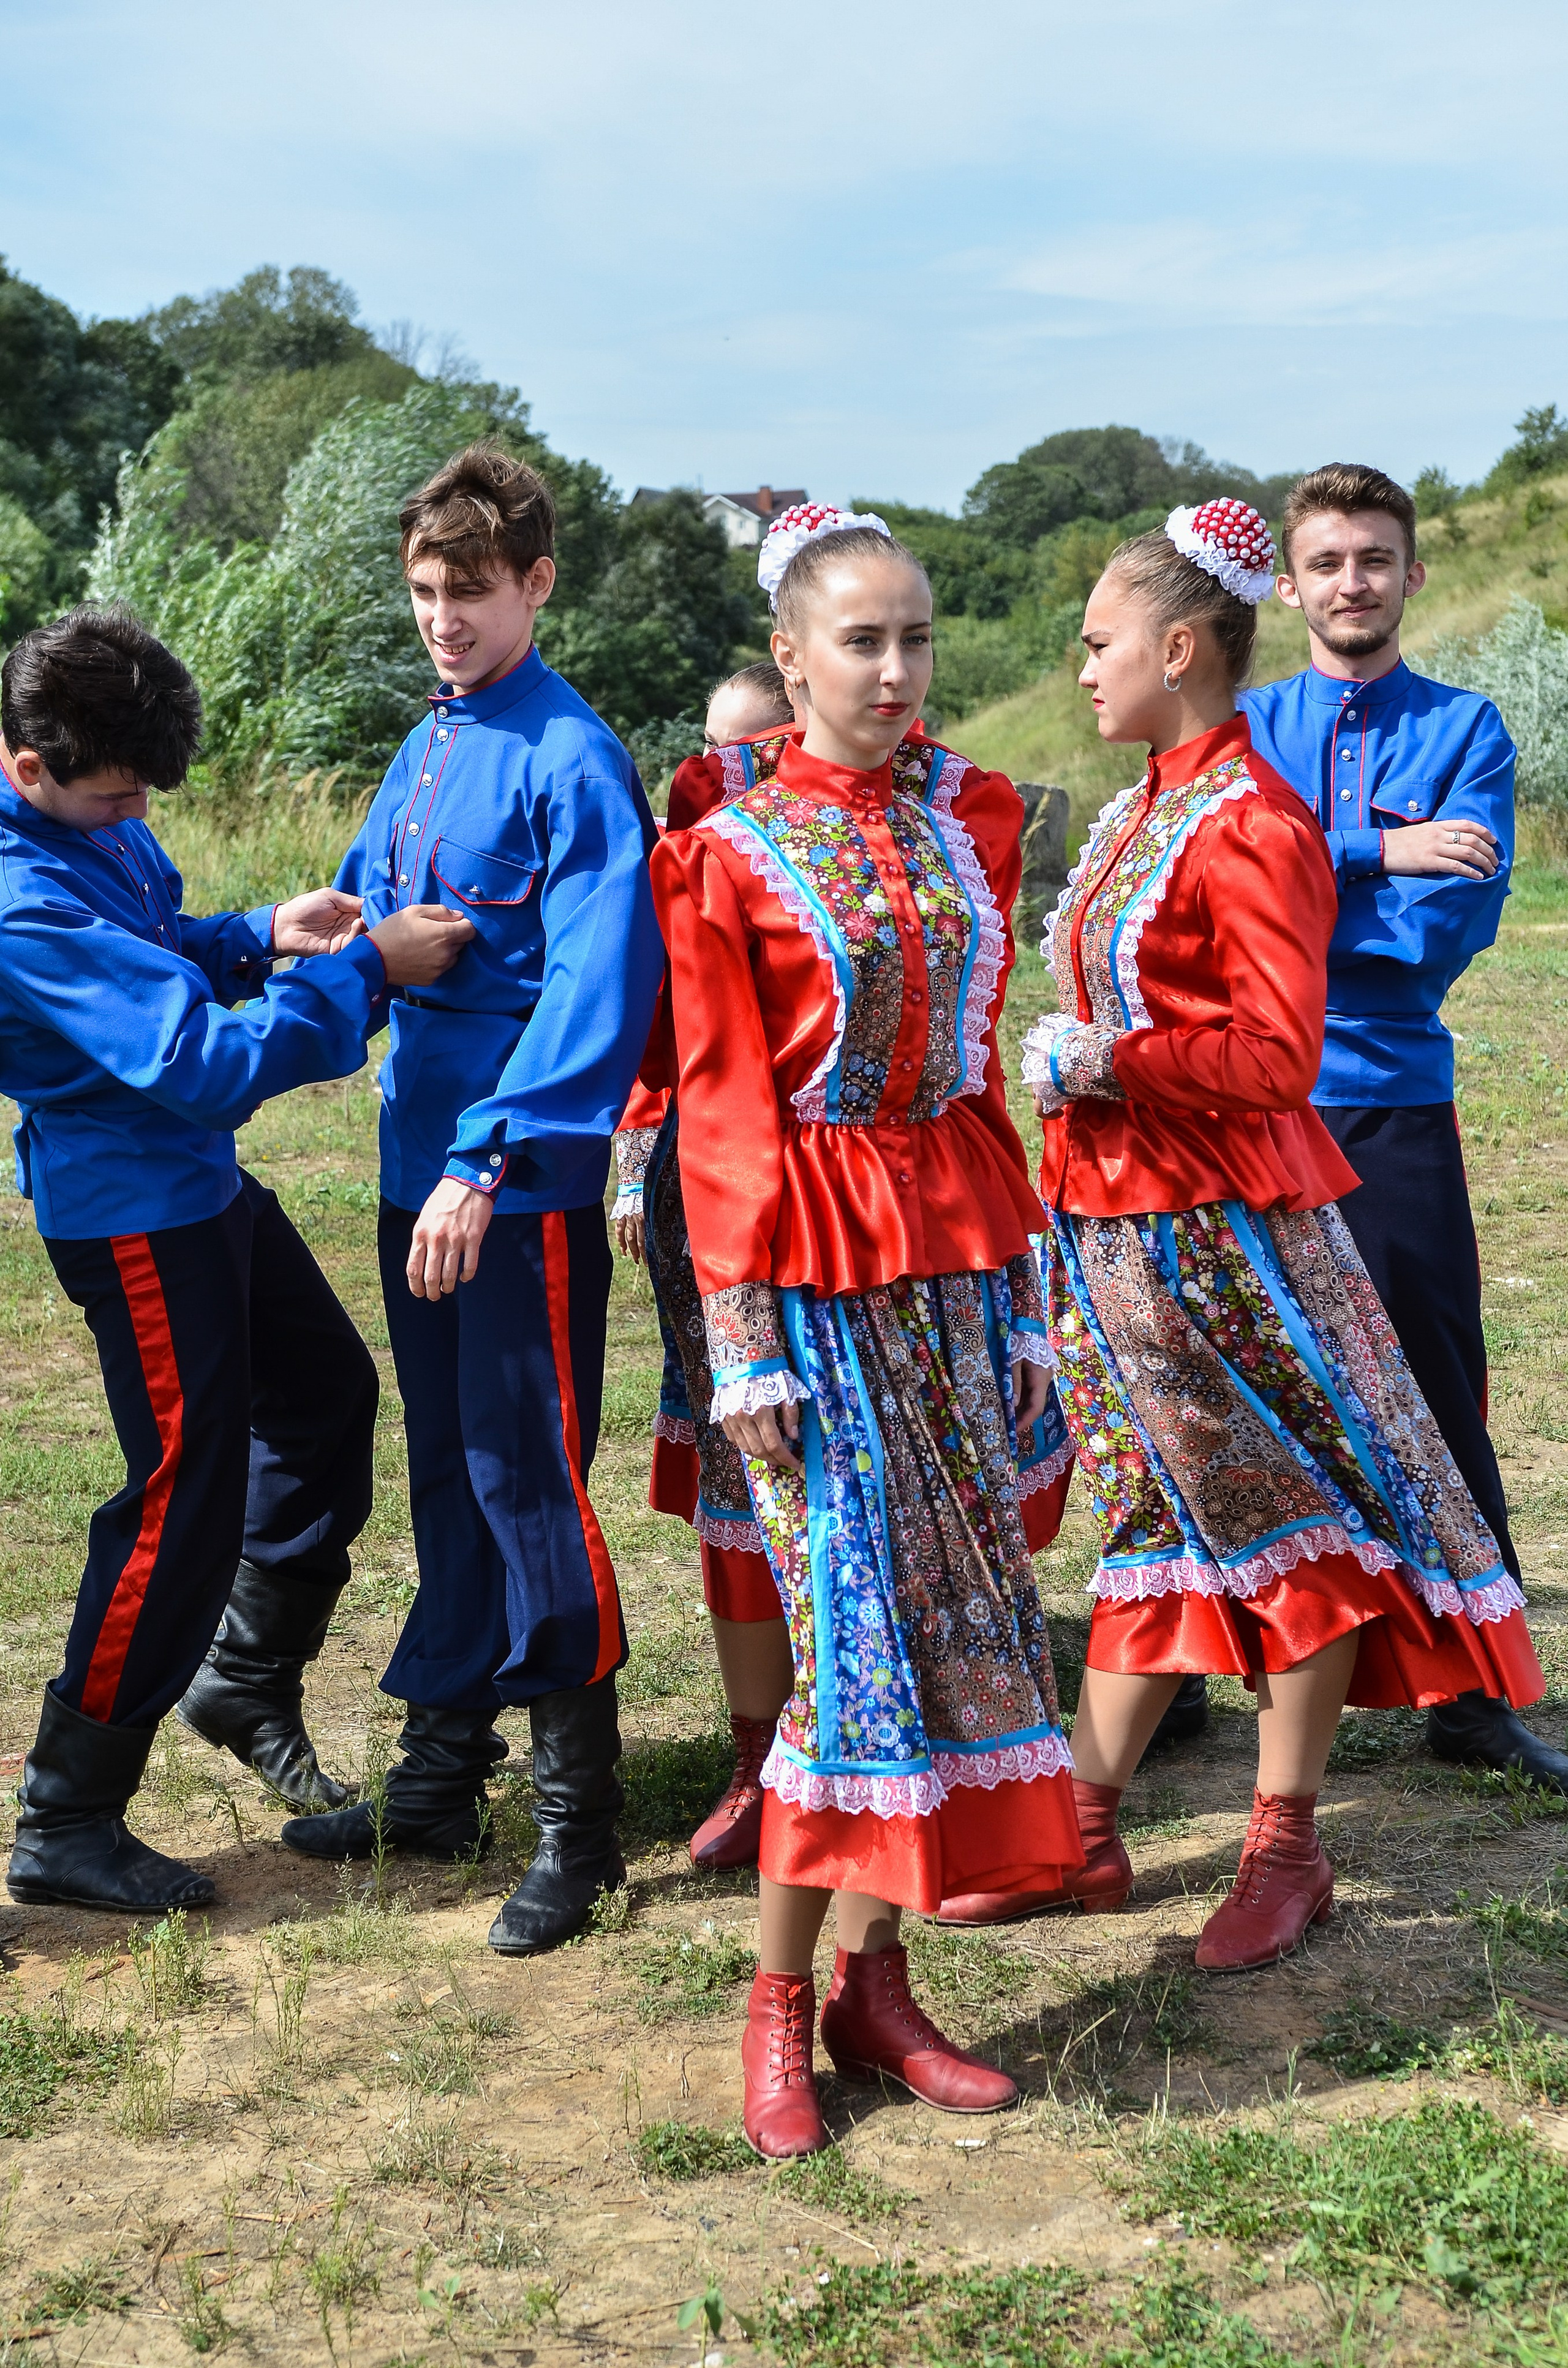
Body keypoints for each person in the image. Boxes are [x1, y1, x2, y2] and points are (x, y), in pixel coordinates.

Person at [1022, 501, 1544, 1974]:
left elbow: (1267, 1052)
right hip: (1117, 1229)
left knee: (1287, 1516)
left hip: (1220, 1235)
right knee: (1160, 1522)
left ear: (1176, 648)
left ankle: (1283, 1845)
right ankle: (1083, 1817)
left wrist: (1103, 1060)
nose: (1080, 671)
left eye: (1097, 643)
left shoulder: (1246, 818)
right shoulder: (1138, 804)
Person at [653, 504, 1082, 2158]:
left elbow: (975, 1082)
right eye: (862, 642)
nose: (896, 670)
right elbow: (721, 1111)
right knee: (848, 1648)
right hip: (811, 1284)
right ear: (792, 659)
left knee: (952, 1629)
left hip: (961, 1271)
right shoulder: (724, 857)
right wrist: (743, 1334)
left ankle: (878, 1982)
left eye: (914, 640)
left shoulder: (964, 836)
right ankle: (775, 2003)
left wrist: (1029, 1298)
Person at [1, 607, 472, 1913]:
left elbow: (154, 947)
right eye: (116, 793)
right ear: (29, 765)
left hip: (196, 1192)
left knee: (324, 1395)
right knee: (178, 1499)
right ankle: (68, 1812)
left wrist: (262, 928)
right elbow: (203, 1066)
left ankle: (244, 1677)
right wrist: (364, 972)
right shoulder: (16, 898)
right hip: (133, 1213)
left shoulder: (87, 811)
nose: (137, 806)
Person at [282, 444, 666, 1960]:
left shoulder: (571, 756)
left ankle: (582, 1821)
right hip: (410, 1164)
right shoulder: (428, 738)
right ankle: (443, 1776)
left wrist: (487, 1162)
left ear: (537, 585)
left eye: (475, 592)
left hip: (511, 1184)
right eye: (428, 592)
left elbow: (600, 985)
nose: (446, 618)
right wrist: (314, 931)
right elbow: (382, 908)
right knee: (444, 1462)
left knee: (527, 1477)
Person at [1240, 464, 1564, 1788]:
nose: (1351, 582)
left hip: (1390, 1102)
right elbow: (1218, 912)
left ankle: (1473, 1696)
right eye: (1326, 560)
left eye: (1374, 557)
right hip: (1247, 1107)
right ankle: (1226, 1676)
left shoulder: (1467, 729)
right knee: (1248, 1397)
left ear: (1411, 573)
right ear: (1287, 583)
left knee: (1437, 1394)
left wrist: (1297, 884)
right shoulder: (1245, 721)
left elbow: (1435, 940)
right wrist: (1375, 850)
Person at [612, 662, 798, 1873]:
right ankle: (754, 1760)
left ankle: (870, 1744)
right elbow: (657, 1031)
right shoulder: (691, 839)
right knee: (741, 1471)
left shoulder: (919, 821)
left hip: (853, 1196)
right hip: (713, 1192)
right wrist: (634, 1160)